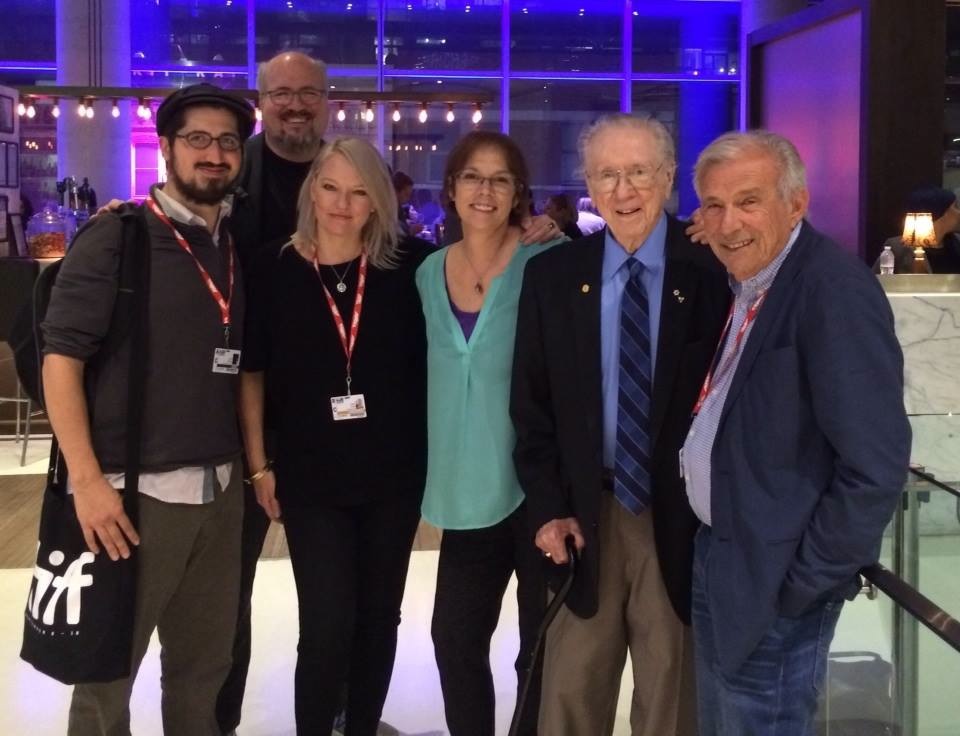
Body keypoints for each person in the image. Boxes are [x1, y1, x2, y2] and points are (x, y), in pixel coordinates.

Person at [41, 83, 255, 735]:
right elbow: (61, 361)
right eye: (198, 140)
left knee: (201, 673)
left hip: (218, 496)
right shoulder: (117, 237)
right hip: (131, 500)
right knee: (105, 681)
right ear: (165, 148)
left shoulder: (235, 245)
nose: (213, 155)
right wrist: (86, 483)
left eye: (226, 142)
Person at [683, 130, 911, 734]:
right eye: (713, 205)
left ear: (797, 204)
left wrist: (802, 584)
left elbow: (875, 466)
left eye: (749, 201)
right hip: (724, 556)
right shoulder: (749, 282)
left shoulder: (832, 291)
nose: (729, 223)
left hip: (776, 579)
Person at [511, 113, 730, 736]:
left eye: (639, 171)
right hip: (585, 513)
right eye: (608, 173)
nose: (624, 189)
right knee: (571, 697)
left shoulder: (711, 273)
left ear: (667, 179)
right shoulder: (551, 276)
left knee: (671, 698)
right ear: (589, 183)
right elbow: (531, 410)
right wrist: (550, 506)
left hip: (679, 519)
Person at [240, 137, 428, 735]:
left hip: (392, 477)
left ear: (378, 202)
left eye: (359, 192)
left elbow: (487, 272)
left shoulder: (412, 267)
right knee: (324, 626)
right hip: (309, 476)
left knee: (379, 620)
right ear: (310, 191)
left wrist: (539, 235)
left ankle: (363, 726)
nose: (342, 205)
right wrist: (258, 467)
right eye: (330, 188)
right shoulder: (273, 266)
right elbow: (251, 373)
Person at [416, 131, 566, 736]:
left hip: (539, 490)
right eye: (472, 177)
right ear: (451, 189)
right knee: (454, 639)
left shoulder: (548, 264)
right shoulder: (425, 275)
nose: (485, 190)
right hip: (466, 489)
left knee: (541, 643)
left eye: (500, 178)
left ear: (518, 193)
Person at [217, 49, 331, 735]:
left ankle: (338, 712)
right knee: (225, 594)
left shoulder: (348, 173)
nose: (295, 105)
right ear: (262, 100)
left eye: (308, 93)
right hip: (234, 414)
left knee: (335, 593)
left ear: (328, 100)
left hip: (334, 414)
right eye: (282, 93)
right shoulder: (231, 175)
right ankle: (217, 721)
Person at [874, 187, 960, 273]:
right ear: (939, 211)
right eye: (955, 207)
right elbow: (875, 281)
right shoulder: (897, 247)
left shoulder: (956, 243)